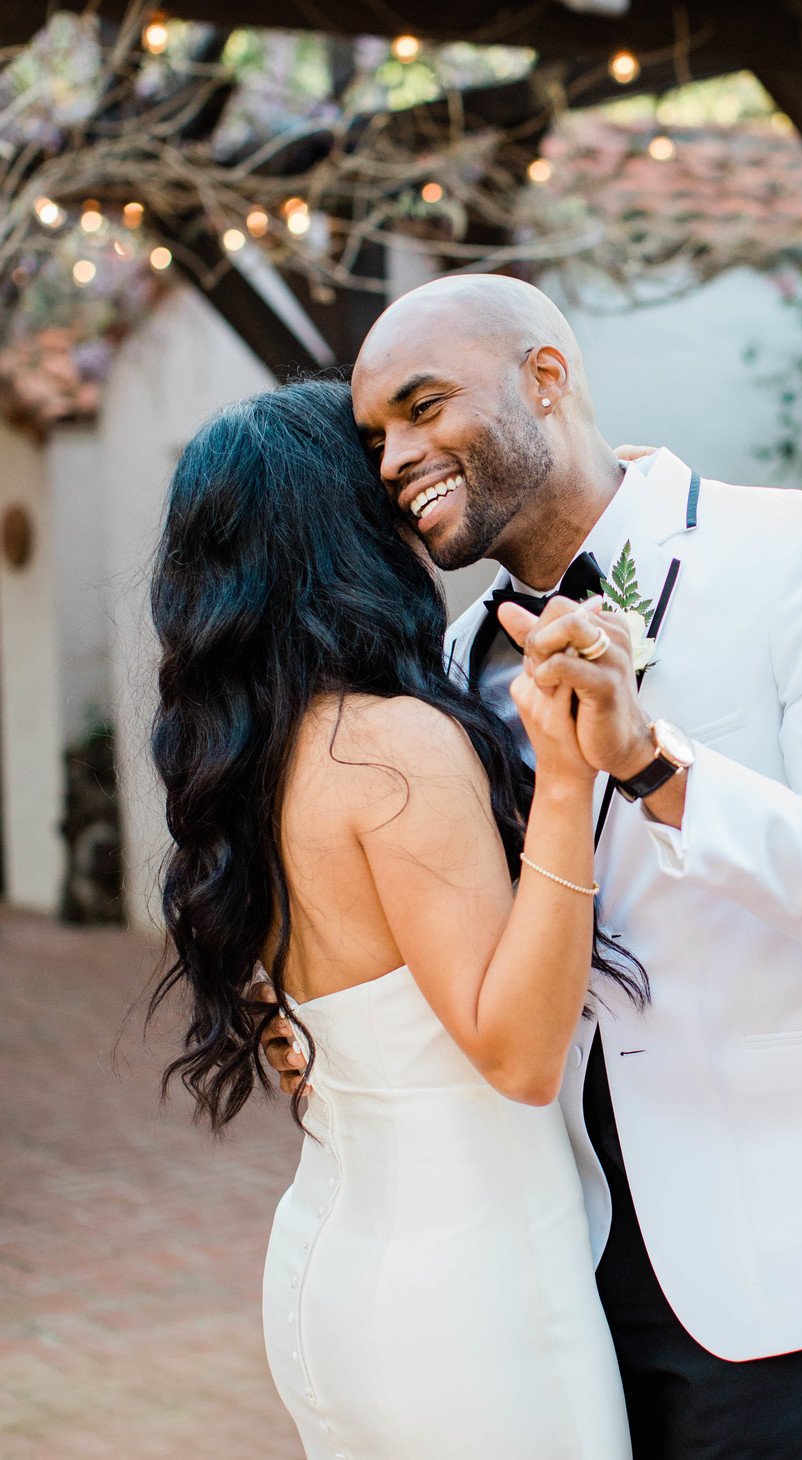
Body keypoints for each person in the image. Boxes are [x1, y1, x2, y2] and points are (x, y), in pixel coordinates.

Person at [265, 272, 802, 1460]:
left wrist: (655, 764)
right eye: (376, 435)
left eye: (425, 405)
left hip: (776, 1231)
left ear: (546, 377)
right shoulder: (449, 658)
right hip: (552, 1239)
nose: (394, 457)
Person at [148, 380, 634, 1460]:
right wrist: (563, 780)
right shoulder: (393, 746)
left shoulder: (251, 765)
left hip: (337, 1268)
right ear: (354, 530)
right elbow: (515, 1054)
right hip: (472, 1303)